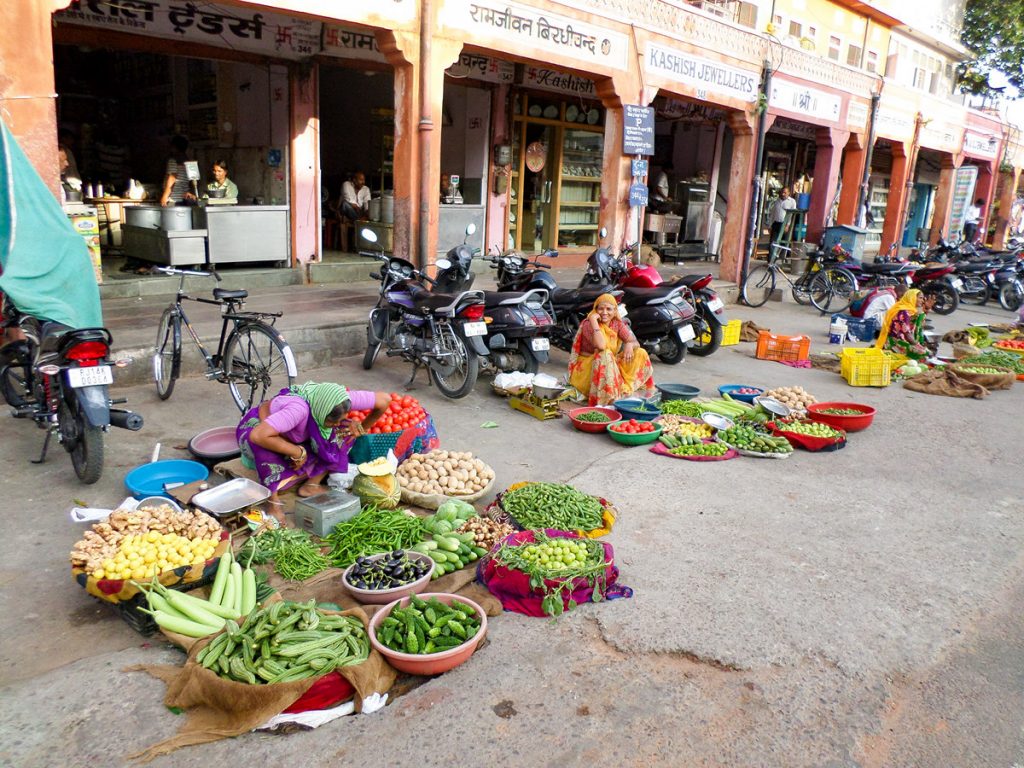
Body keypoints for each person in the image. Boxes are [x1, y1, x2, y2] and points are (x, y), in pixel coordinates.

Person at [237, 382, 391, 524]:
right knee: (267, 451)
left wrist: (361, 428)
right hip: (259, 430)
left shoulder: (339, 399)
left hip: (294, 431)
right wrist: (296, 451)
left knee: (343, 432)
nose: (336, 424)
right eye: (331, 421)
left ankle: (311, 484)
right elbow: (258, 435)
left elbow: (384, 400)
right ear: (322, 413)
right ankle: (273, 504)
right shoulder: (297, 410)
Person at [568, 293, 656, 406]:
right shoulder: (588, 324)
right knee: (605, 354)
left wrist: (629, 344)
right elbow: (601, 346)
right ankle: (608, 398)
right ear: (595, 310)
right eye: (601, 309)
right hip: (587, 369)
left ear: (615, 311)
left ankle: (620, 388)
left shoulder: (616, 323)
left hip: (608, 363)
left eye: (609, 309)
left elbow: (635, 342)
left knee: (640, 352)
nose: (605, 312)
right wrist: (594, 321)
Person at [874, 287, 933, 360]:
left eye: (923, 298)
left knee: (925, 351)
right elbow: (907, 334)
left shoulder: (910, 310)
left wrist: (926, 309)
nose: (922, 301)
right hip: (896, 342)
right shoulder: (903, 312)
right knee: (923, 354)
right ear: (912, 298)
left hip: (903, 340)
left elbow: (918, 323)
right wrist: (920, 348)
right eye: (920, 298)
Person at [159, 135, 196, 207]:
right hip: (185, 199)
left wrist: (165, 195)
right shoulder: (188, 162)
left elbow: (172, 178)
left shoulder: (173, 161)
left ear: (174, 147)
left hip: (174, 199)